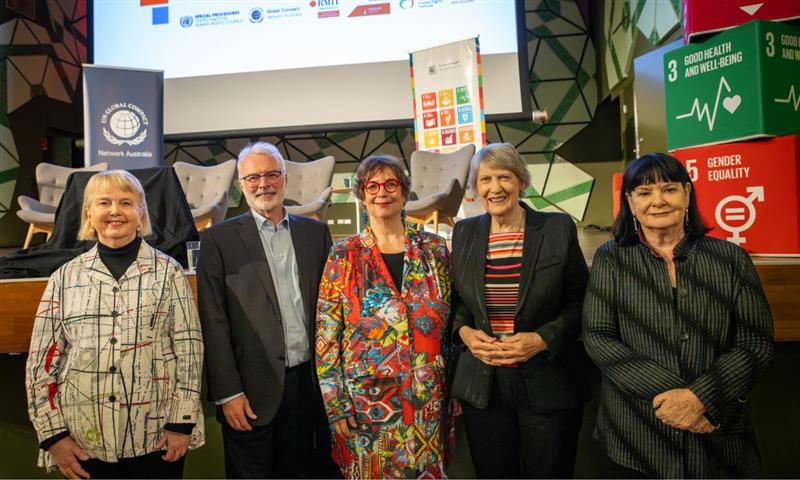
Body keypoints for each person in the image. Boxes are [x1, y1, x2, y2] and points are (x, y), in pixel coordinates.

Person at [582, 152, 774, 478]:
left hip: (717, 432)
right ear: (629, 202)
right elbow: (598, 337)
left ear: (687, 193)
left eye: (669, 189)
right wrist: (677, 400)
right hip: (637, 435)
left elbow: (755, 343)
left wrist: (700, 398)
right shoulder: (611, 258)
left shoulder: (731, 259)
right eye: (644, 193)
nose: (658, 200)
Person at [25, 170, 204, 479]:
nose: (114, 211)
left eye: (126, 202)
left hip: (156, 438)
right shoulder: (64, 278)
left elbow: (189, 350)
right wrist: (53, 435)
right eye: (104, 202)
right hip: (82, 442)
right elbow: (41, 363)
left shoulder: (169, 274)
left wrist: (182, 423)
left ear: (141, 212)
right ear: (89, 213)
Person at [449, 143, 589, 478]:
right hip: (484, 386)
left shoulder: (557, 228)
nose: (495, 188)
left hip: (547, 379)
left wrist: (541, 339)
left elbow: (582, 300)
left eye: (504, 177)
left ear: (521, 181)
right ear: (476, 187)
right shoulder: (464, 233)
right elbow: (455, 302)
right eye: (485, 180)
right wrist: (465, 333)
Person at [197, 142, 335, 479]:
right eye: (253, 177)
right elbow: (214, 321)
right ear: (241, 185)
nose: (264, 184)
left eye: (272, 174)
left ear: (285, 179)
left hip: (309, 386)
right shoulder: (218, 240)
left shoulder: (316, 234)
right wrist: (228, 392)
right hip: (248, 391)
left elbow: (334, 310)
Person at [315, 155, 452, 479]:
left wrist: (455, 388)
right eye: (372, 186)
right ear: (361, 195)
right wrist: (336, 405)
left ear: (404, 192)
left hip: (427, 402)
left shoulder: (435, 251)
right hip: (367, 406)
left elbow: (451, 324)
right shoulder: (344, 255)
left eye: (391, 184)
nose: (382, 193)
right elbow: (326, 336)